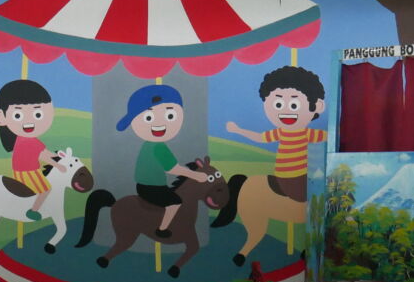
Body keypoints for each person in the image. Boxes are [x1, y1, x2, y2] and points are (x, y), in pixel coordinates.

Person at [117, 83, 210, 238]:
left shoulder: (149, 144)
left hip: (147, 185)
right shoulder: (158, 146)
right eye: (148, 117)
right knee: (175, 202)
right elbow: (172, 168)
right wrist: (195, 176)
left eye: (170, 116)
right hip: (151, 187)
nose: (159, 124)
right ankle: (162, 229)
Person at [225, 65, 327, 202]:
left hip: (302, 175)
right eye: (278, 104)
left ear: (318, 106)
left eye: (294, 105)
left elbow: (329, 137)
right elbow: (260, 137)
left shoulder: (308, 134)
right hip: (289, 178)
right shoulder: (280, 133)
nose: (286, 111)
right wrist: (238, 130)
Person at [0, 79, 61, 221]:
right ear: (1, 117)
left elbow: (45, 153)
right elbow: (43, 156)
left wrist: (58, 156)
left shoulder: (26, 139)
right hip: (27, 172)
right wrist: (58, 165)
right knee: (46, 189)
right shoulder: (28, 140)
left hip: (26, 171)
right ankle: (33, 210)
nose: (30, 121)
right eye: (17, 115)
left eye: (38, 114)